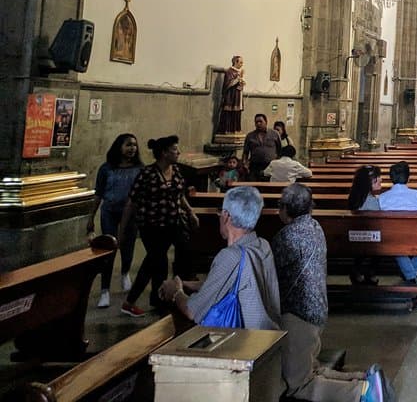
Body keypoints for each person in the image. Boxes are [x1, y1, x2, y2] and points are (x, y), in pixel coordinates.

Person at [269, 183, 389, 402]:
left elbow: (270, 273)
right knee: (310, 367)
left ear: (284, 209)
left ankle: (362, 393)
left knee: (299, 384)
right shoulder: (315, 226)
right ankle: (363, 378)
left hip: (298, 313)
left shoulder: (287, 237)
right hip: (317, 308)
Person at [157, 186, 279, 330]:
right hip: (270, 333)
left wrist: (175, 292)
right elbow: (229, 283)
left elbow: (192, 311)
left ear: (226, 215)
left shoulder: (230, 256)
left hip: (247, 340)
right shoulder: (262, 244)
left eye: (220, 212)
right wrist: (185, 284)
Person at [120, 135, 199, 316]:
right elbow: (131, 202)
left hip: (174, 222)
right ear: (163, 153)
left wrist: (190, 211)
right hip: (152, 226)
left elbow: (179, 195)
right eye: (174, 150)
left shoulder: (176, 171)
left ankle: (165, 297)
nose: (178, 152)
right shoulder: (147, 174)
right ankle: (130, 302)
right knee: (155, 261)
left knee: (179, 255)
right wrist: (122, 230)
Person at [86, 133, 143, 308]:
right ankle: (104, 290)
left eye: (134, 145)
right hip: (109, 211)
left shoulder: (140, 168)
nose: (132, 148)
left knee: (128, 245)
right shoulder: (106, 169)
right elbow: (99, 194)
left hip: (131, 213)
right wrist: (91, 217)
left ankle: (125, 272)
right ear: (119, 147)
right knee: (108, 249)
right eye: (128, 145)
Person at [378, 162, 417, 283]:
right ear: (408, 177)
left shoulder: (382, 197)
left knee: (395, 242)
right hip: (416, 236)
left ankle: (410, 273)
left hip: (391, 238)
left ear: (391, 178)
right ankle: (412, 274)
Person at [348, 165, 383, 286]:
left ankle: (358, 270)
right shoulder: (371, 201)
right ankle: (371, 272)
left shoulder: (355, 197)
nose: (380, 180)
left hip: (354, 235)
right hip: (370, 238)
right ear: (369, 182)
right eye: (377, 177)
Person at [244, 113, 282, 180]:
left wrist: (278, 162)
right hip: (255, 166)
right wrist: (245, 163)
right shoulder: (250, 136)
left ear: (266, 122)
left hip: (271, 165)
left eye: (260, 121)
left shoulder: (275, 134)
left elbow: (280, 149)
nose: (258, 124)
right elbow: (245, 152)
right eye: (256, 122)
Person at [217, 55, 245, 133]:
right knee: (228, 113)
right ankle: (227, 130)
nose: (242, 64)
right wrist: (238, 79)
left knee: (237, 113)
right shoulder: (229, 71)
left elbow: (239, 84)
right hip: (231, 96)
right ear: (235, 62)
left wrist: (242, 82)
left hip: (238, 96)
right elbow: (227, 84)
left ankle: (236, 130)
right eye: (240, 62)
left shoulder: (239, 72)